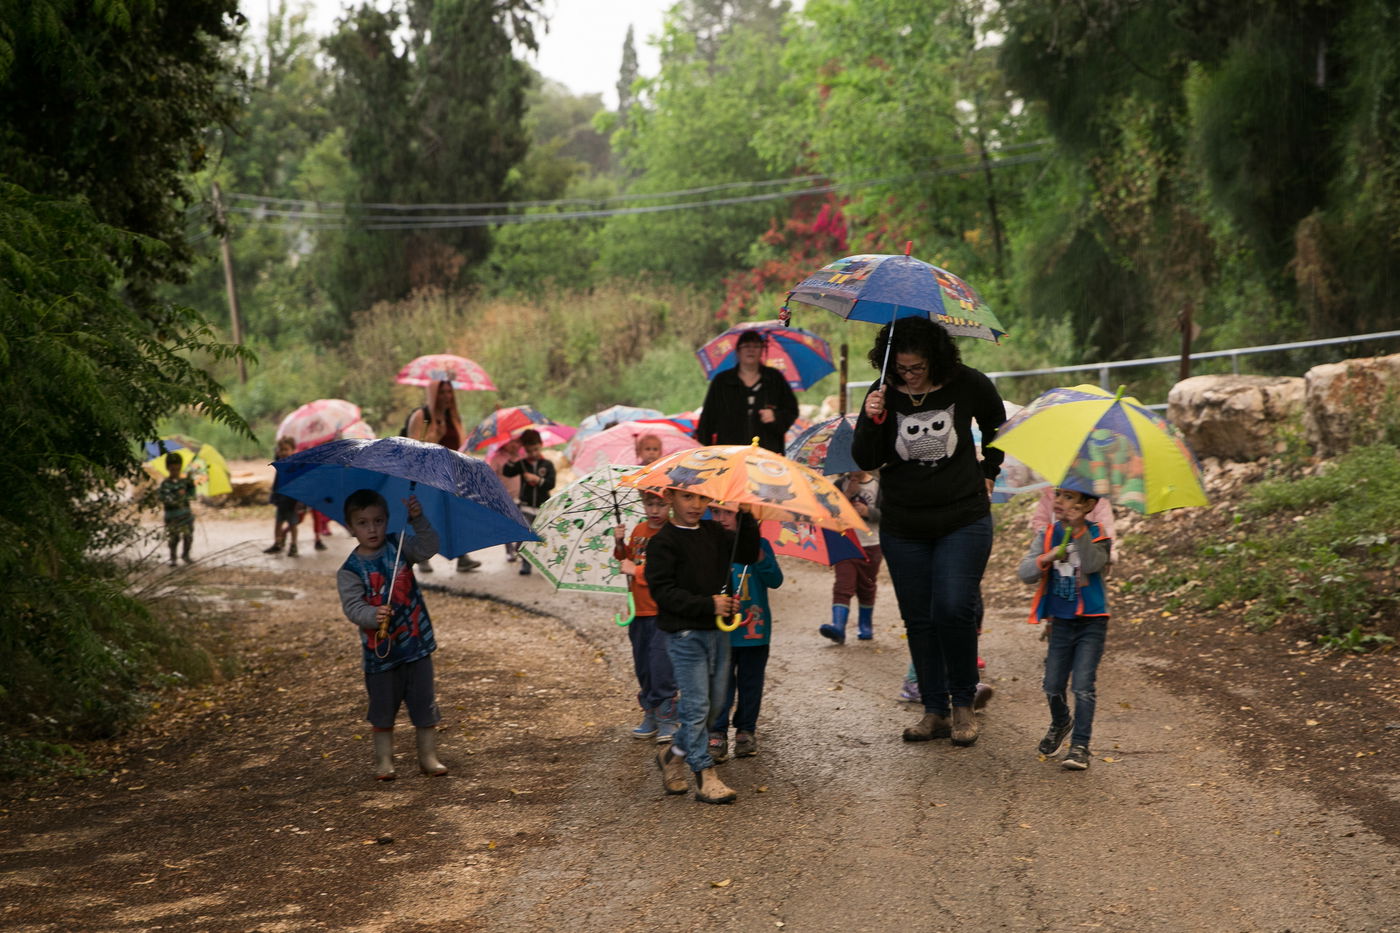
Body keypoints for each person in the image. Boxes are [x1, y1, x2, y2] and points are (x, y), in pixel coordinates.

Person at [851, 316, 1005, 747]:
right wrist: (871, 418)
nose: (908, 375)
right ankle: (933, 710)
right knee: (918, 617)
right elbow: (866, 455)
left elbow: (998, 424)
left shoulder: (968, 383)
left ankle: (963, 704)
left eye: (916, 367)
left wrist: (990, 470)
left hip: (963, 517)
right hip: (904, 523)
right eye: (901, 367)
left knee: (953, 608)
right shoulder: (881, 392)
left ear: (935, 358)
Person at [646, 488, 759, 804]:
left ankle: (673, 754)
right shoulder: (663, 543)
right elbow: (664, 594)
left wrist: (747, 517)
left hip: (717, 633)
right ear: (670, 497)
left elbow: (747, 554)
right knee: (696, 706)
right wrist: (708, 604)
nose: (696, 505)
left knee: (714, 707)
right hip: (684, 635)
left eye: (701, 498)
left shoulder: (713, 532)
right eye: (687, 498)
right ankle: (704, 774)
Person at [337, 489, 448, 781]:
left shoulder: (398, 545)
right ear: (350, 527)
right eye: (362, 522)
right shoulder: (349, 570)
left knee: (424, 703)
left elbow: (428, 547)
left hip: (416, 644)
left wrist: (418, 519)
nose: (371, 528)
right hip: (381, 655)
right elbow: (352, 607)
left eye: (378, 520)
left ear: (387, 521)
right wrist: (372, 616)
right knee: (382, 708)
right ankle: (383, 760)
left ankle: (428, 757)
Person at [1017, 485, 1112, 771]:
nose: (1059, 501)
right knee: (1052, 684)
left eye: (1069, 497)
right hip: (1060, 622)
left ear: (1088, 505)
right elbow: (1025, 573)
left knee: (1083, 685)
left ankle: (1080, 746)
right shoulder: (1047, 535)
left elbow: (1094, 564)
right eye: (1058, 495)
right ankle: (1061, 722)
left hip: (1092, 621)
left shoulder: (1098, 534)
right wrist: (1048, 557)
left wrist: (1079, 530)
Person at [707, 506, 783, 762]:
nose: (721, 519)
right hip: (721, 633)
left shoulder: (760, 545)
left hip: (755, 633)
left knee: (751, 684)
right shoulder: (711, 544)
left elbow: (775, 580)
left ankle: (746, 730)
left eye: (727, 513)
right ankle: (717, 730)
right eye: (715, 513)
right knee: (720, 684)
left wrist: (760, 556)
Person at [613, 490, 681, 744]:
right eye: (649, 504)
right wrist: (620, 543)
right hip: (638, 611)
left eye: (661, 505)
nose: (655, 510)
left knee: (661, 664)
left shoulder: (672, 533)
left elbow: (667, 572)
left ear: (670, 505)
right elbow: (625, 559)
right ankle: (650, 711)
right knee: (643, 664)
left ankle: (668, 716)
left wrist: (637, 571)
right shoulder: (639, 529)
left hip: (662, 611)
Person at [403, 377, 477, 572]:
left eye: (449, 392)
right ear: (433, 395)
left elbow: (460, 445)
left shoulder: (454, 417)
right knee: (427, 515)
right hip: (427, 475)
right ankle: (422, 557)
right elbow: (412, 447)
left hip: (451, 474)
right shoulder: (422, 416)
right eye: (442, 392)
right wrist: (436, 435)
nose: (446, 397)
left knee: (454, 515)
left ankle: (462, 557)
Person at [694, 330, 799, 452]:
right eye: (746, 346)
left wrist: (776, 417)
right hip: (729, 451)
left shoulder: (774, 378)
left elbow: (791, 410)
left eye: (756, 346)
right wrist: (704, 452)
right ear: (738, 351)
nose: (751, 350)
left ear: (762, 351)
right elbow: (708, 419)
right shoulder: (722, 381)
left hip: (767, 450)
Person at [819, 470, 883, 644]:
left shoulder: (877, 485)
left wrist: (868, 512)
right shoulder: (840, 485)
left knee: (867, 586)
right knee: (843, 585)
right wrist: (846, 495)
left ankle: (865, 625)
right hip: (846, 542)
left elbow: (887, 514)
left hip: (871, 544)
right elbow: (829, 511)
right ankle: (838, 626)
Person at [503, 428, 556, 576]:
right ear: (524, 449)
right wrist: (513, 456)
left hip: (543, 507)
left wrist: (537, 480)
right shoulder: (521, 464)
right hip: (526, 506)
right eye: (529, 451)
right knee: (526, 536)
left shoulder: (547, 464)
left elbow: (551, 484)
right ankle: (526, 564)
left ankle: (545, 564)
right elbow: (508, 471)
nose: (532, 454)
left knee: (543, 537)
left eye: (535, 450)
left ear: (541, 445)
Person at [265, 436, 303, 557]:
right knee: (278, 523)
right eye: (281, 450)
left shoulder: (296, 465)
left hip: (292, 501)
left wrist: (300, 502)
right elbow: (275, 457)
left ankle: (293, 545)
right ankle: (277, 543)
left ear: (293, 450)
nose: (283, 452)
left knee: (293, 525)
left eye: (286, 449)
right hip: (280, 499)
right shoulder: (280, 463)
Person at [487, 438, 524, 562]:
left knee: (524, 525)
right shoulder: (497, 458)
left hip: (521, 498)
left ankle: (518, 548)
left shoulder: (521, 458)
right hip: (505, 498)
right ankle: (509, 550)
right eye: (512, 442)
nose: (516, 445)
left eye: (518, 442)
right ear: (504, 443)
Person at [157, 452, 197, 566]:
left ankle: (186, 555)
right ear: (168, 468)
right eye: (172, 469)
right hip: (172, 516)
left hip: (186, 515)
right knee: (174, 538)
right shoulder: (165, 484)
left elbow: (192, 495)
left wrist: (189, 489)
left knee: (188, 536)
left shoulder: (185, 482)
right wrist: (177, 496)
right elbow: (164, 498)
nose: (175, 471)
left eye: (177, 468)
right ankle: (173, 557)